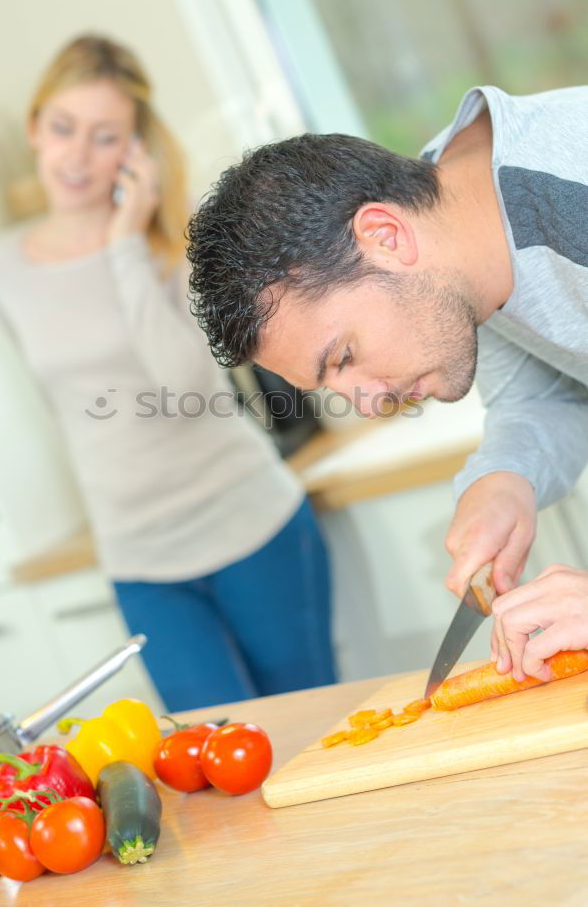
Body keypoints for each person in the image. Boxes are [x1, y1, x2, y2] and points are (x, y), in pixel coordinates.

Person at [186, 83, 588, 687]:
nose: (370, 403)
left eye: (344, 355)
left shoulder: (569, 186)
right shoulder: (462, 231)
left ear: (384, 236)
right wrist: (506, 479)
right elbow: (549, 390)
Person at [0, 34, 336, 711]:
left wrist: (122, 245)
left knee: (309, 731)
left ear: (133, 150)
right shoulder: (3, 273)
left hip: (251, 527)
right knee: (205, 751)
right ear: (34, 129)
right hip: (139, 562)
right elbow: (61, 405)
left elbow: (187, 390)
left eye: (104, 136)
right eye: (63, 129)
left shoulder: (170, 246)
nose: (78, 156)